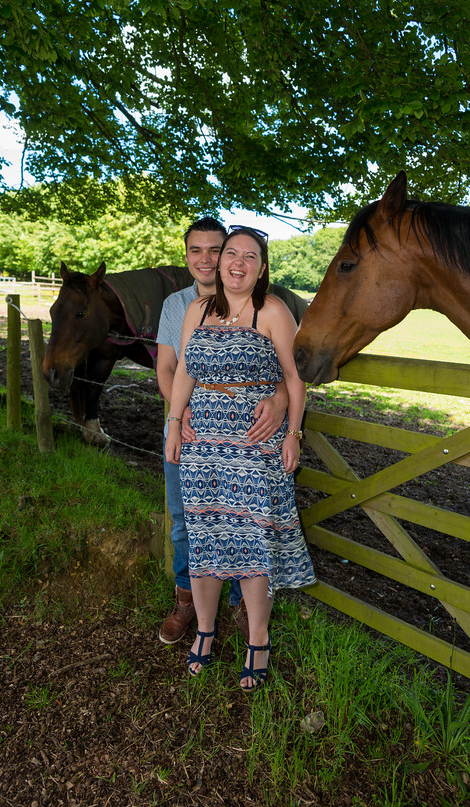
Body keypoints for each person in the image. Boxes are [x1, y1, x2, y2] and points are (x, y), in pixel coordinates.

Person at [165, 226, 315, 691]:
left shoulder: (271, 312)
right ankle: (206, 632)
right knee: (206, 540)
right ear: (220, 261)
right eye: (232, 253)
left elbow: (295, 379)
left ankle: (257, 639)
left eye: (251, 257)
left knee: (253, 543)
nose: (238, 262)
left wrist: (293, 432)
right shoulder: (195, 310)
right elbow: (186, 369)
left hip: (255, 447)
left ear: (262, 268)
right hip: (202, 446)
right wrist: (174, 422)